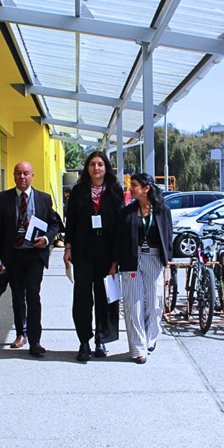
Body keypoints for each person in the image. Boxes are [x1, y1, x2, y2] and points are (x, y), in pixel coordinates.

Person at [0, 161, 61, 356]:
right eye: (18, 174)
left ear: (32, 176)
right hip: (13, 255)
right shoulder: (4, 198)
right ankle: (20, 333)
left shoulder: (43, 199)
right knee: (17, 296)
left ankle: (35, 340)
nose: (22, 177)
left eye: (26, 173)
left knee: (33, 295)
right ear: (13, 176)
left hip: (34, 255)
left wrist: (47, 238)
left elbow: (55, 225)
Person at [63, 151, 124, 362]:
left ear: (106, 167)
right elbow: (70, 222)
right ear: (87, 168)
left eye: (100, 164)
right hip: (83, 250)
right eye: (92, 164)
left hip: (106, 252)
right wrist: (68, 247)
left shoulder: (115, 191)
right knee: (82, 297)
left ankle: (101, 339)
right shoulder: (79, 191)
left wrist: (116, 260)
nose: (96, 168)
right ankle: (84, 341)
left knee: (104, 297)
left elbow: (120, 228)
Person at [110, 172, 173, 364]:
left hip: (154, 259)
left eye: (135, 185)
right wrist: (113, 265)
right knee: (133, 305)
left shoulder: (162, 211)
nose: (131, 188)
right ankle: (138, 348)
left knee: (155, 303)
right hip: (131, 260)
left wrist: (167, 264)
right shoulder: (127, 212)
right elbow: (118, 241)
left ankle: (150, 336)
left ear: (146, 188)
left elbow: (168, 239)